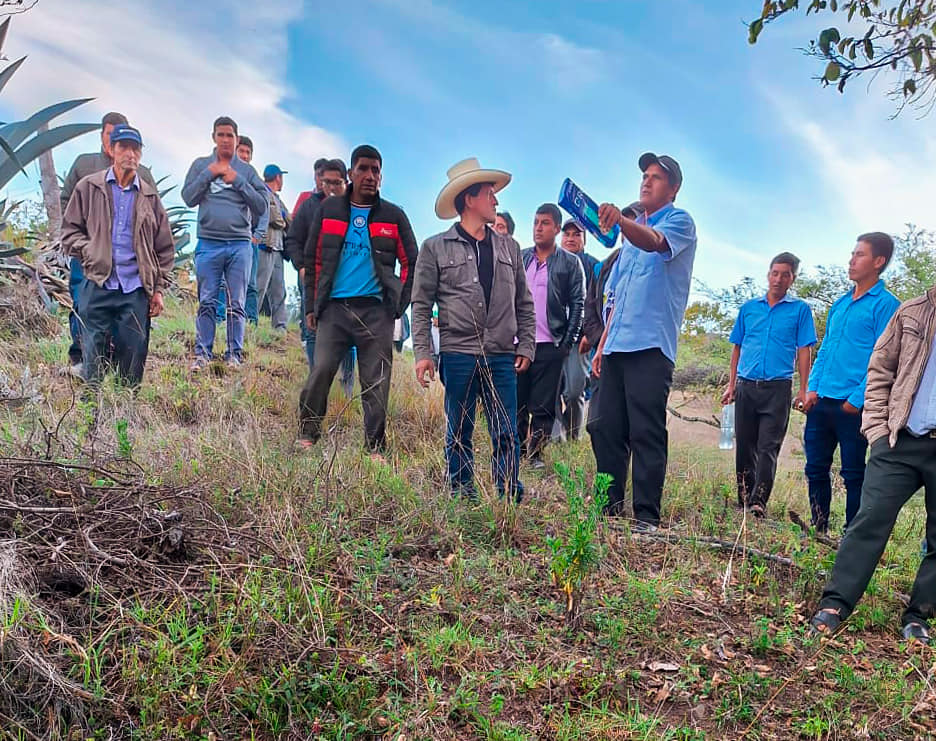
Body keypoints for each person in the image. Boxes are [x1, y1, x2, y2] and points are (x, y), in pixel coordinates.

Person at [808, 280, 936, 646]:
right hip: (899, 439)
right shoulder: (911, 311)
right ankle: (835, 605)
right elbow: (880, 368)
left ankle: (918, 617)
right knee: (869, 519)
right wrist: (877, 429)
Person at [411, 157, 535, 501]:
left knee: (507, 430)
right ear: (469, 199)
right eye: (489, 193)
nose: (496, 200)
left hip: (500, 354)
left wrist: (526, 344)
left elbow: (524, 302)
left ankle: (508, 493)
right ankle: (462, 495)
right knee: (459, 429)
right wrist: (423, 353)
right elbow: (420, 305)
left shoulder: (509, 247)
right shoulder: (435, 247)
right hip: (458, 353)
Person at [589, 153, 697, 531]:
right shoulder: (629, 241)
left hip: (651, 347)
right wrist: (602, 345)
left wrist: (621, 220)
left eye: (656, 177)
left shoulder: (678, 222)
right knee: (603, 426)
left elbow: (655, 242)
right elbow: (614, 297)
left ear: (674, 189)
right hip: (616, 345)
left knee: (645, 431)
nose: (646, 182)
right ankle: (608, 509)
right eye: (644, 176)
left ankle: (647, 517)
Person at [297, 145, 418, 454]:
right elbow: (314, 260)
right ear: (351, 173)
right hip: (334, 309)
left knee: (376, 382)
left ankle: (375, 447)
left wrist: (397, 305)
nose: (369, 175)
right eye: (363, 168)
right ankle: (308, 432)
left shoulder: (394, 215)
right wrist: (312, 306)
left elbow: (411, 262)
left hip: (376, 310)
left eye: (375, 170)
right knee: (321, 370)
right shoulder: (329, 210)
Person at [61, 125, 174, 387]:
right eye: (124, 147)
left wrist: (158, 289)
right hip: (98, 283)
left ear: (141, 155)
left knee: (133, 353)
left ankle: (124, 414)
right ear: (111, 150)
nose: (130, 154)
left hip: (134, 287)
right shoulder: (88, 187)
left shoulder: (149, 196)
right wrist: (90, 253)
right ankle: (92, 413)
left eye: (136, 149)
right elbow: (69, 232)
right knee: (92, 354)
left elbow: (165, 248)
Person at [803, 234, 900, 532]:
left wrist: (856, 400)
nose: (851, 260)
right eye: (852, 254)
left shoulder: (886, 305)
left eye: (859, 255)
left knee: (854, 473)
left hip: (853, 407)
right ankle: (818, 526)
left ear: (878, 261)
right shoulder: (841, 304)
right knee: (815, 468)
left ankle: (852, 533)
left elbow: (884, 358)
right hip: (821, 401)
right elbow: (826, 350)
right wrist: (811, 388)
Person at [721, 253, 817, 516]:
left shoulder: (800, 310)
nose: (778, 279)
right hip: (746, 385)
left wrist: (803, 388)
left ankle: (758, 501)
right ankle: (743, 497)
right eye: (774, 273)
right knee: (745, 445)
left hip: (777, 388)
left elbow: (804, 350)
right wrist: (731, 385)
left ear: (792, 278)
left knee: (768, 447)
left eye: (785, 274)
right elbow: (737, 348)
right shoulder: (749, 308)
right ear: (768, 274)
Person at [182, 116, 268, 370]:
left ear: (237, 139)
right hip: (209, 243)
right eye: (221, 135)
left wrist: (238, 181)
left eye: (230, 135)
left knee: (236, 302)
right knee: (207, 300)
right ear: (214, 138)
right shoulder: (200, 165)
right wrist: (208, 175)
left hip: (239, 245)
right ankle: (203, 354)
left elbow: (262, 206)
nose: (225, 139)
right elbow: (188, 197)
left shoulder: (248, 171)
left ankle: (234, 355)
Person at [518, 204, 585, 468]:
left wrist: (565, 344)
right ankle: (516, 451)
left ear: (556, 229)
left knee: (543, 406)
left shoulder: (570, 262)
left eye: (545, 223)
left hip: (551, 344)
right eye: (535, 222)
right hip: (519, 343)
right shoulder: (521, 257)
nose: (538, 227)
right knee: (517, 401)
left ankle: (535, 455)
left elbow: (578, 304)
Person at [284, 158, 357, 392]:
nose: (332, 188)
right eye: (327, 182)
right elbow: (293, 239)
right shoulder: (309, 206)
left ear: (346, 182)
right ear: (320, 182)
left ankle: (346, 387)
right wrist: (301, 266)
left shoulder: (355, 208)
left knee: (348, 334)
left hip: (346, 282)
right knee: (313, 328)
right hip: (314, 280)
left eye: (337, 183)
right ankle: (317, 383)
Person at [556, 218, 598, 440]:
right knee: (549, 390)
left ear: (585, 239)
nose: (571, 238)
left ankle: (572, 437)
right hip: (550, 337)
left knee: (573, 392)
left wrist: (590, 335)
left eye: (576, 234)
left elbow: (598, 305)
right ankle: (553, 437)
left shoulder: (594, 265)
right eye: (567, 234)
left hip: (578, 340)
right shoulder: (550, 261)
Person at [255, 164, 290, 331]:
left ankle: (280, 327)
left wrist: (283, 219)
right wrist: (283, 219)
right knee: (259, 286)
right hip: (264, 245)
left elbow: (287, 219)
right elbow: (275, 218)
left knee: (279, 290)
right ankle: (249, 321)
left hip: (277, 247)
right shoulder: (262, 192)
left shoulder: (277, 198)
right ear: (278, 177)